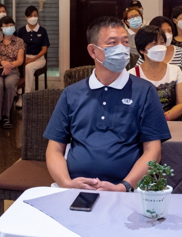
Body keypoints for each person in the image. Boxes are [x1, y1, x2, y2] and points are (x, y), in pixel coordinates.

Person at [44, 17, 171, 191]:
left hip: (128, 189)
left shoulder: (145, 91)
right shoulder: (71, 94)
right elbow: (54, 149)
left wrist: (124, 186)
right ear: (93, 51)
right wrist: (66, 182)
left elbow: (153, 150)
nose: (122, 49)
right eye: (113, 43)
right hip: (75, 187)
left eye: (125, 42)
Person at [133, 26, 182, 121]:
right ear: (142, 50)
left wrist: (162, 118)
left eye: (162, 43)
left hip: (170, 124)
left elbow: (181, 104)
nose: (160, 47)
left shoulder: (175, 70)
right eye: (154, 44)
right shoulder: (132, 75)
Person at [0, 16, 25, 129]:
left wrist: (9, 65)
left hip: (13, 70)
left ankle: (6, 116)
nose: (9, 28)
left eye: (11, 25)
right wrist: (2, 62)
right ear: (1, 28)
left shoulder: (19, 41)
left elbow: (20, 60)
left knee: (9, 84)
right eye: (6, 26)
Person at [15, 6, 50, 100]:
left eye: (35, 15)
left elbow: (44, 50)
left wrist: (32, 59)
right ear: (25, 17)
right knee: (16, 67)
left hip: (38, 58)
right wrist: (22, 58)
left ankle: (25, 95)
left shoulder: (42, 31)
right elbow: (17, 47)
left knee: (28, 68)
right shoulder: (21, 31)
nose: (33, 17)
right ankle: (16, 93)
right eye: (30, 16)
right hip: (23, 57)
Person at [148, 19, 182, 88]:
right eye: (163, 31)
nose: (167, 34)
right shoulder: (147, 53)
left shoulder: (180, 52)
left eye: (169, 31)